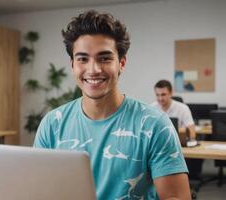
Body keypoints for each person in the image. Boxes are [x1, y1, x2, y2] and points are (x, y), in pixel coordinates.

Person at [34, 10, 190, 199]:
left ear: (121, 63)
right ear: (73, 64)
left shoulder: (155, 125)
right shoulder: (52, 124)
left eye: (105, 58)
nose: (93, 70)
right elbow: (41, 191)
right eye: (83, 59)